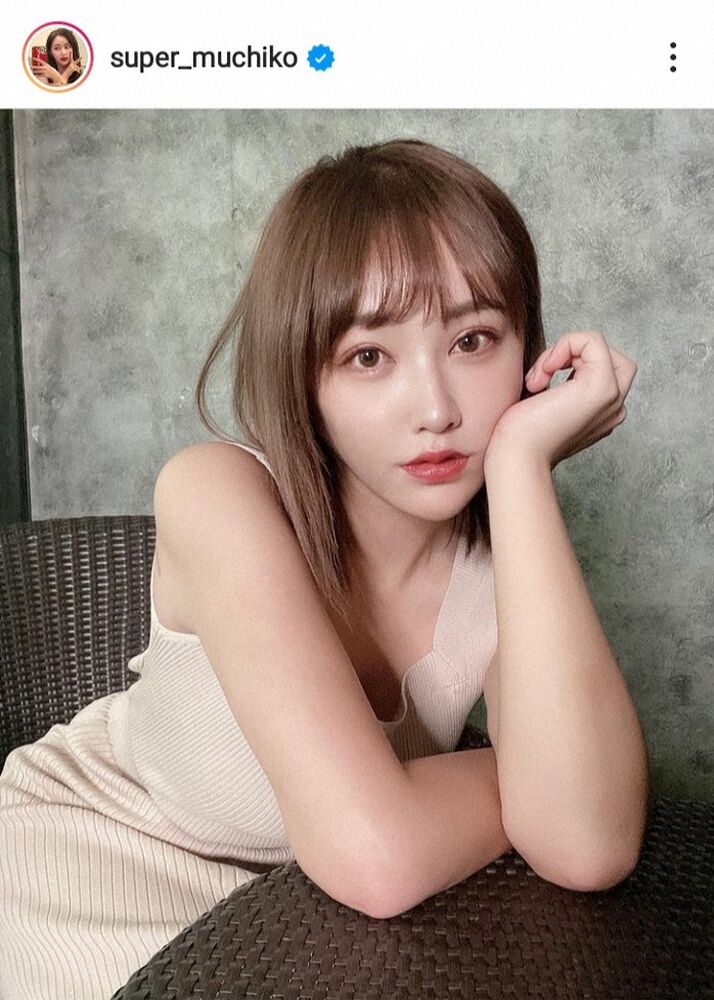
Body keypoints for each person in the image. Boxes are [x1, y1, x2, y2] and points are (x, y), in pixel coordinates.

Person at [0, 138, 651, 999]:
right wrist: (523, 783)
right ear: (303, 375)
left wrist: (523, 465)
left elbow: (587, 845)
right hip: (83, 866)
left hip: (293, 924)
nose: (436, 410)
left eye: (473, 339)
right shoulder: (217, 492)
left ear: (527, 349)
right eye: (369, 356)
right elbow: (380, 859)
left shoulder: (505, 563)